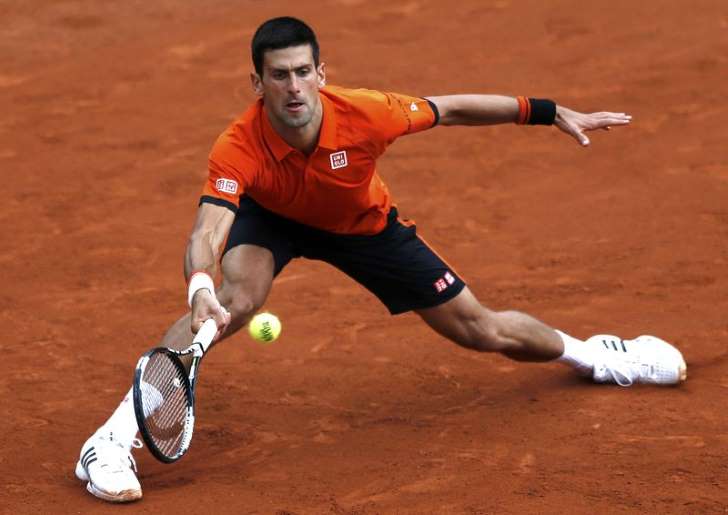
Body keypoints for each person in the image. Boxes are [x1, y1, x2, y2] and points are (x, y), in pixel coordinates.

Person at [74, 16, 686, 503]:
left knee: (482, 330)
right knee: (231, 304)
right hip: (273, 220)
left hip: (361, 226)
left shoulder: (368, 113)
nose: (292, 87)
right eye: (278, 76)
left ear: (321, 73)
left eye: (302, 72)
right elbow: (209, 228)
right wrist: (200, 287)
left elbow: (455, 108)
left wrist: (549, 111)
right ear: (257, 85)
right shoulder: (238, 145)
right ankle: (111, 439)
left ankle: (599, 356)